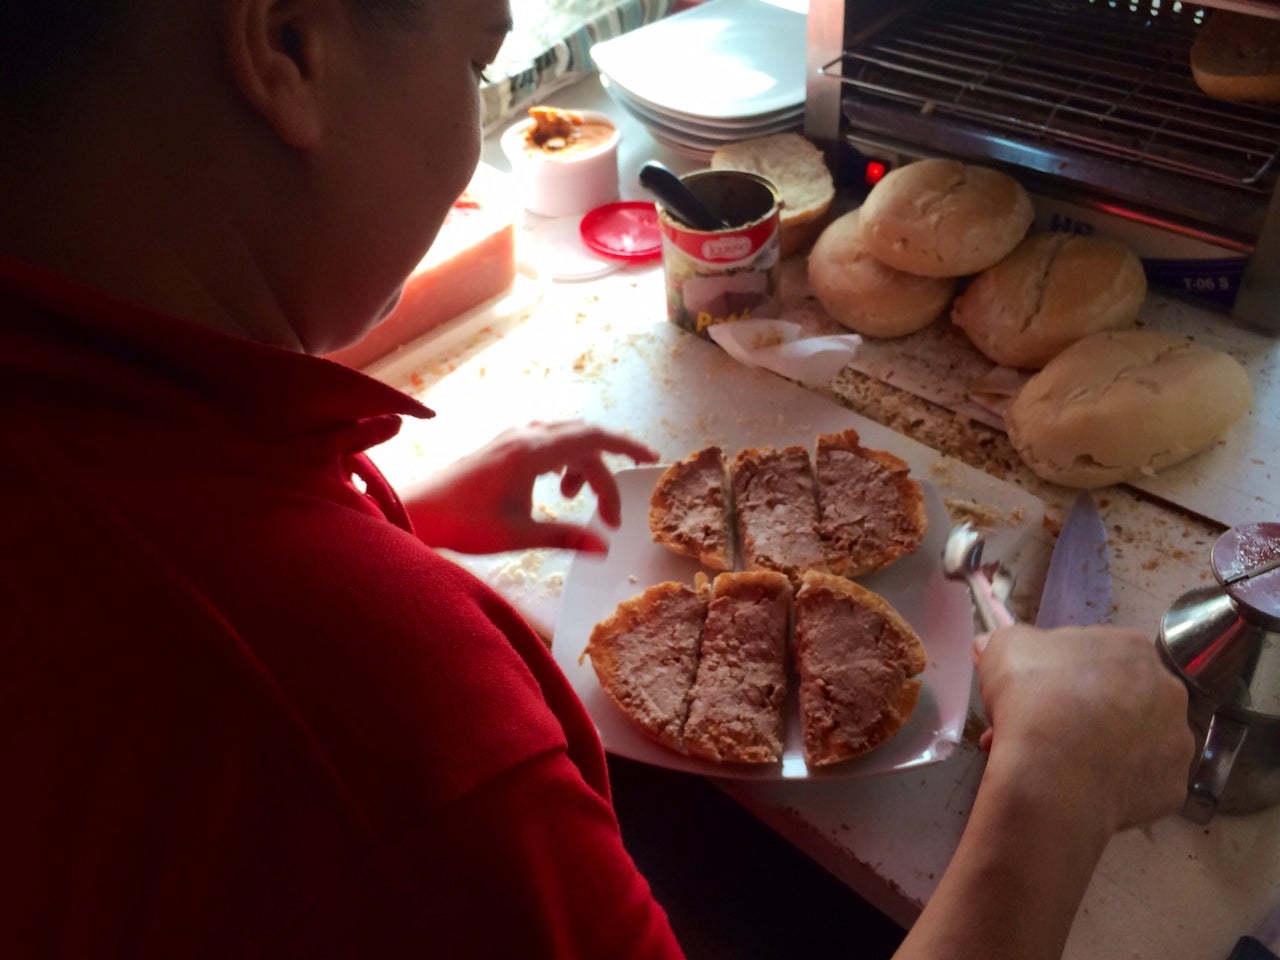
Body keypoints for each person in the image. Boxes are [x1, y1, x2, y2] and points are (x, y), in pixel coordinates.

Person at [0, 2, 1193, 959]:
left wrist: (395, 523)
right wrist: (1052, 790)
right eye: (478, 63)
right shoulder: (382, 743)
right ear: (291, 46)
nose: (478, 117)